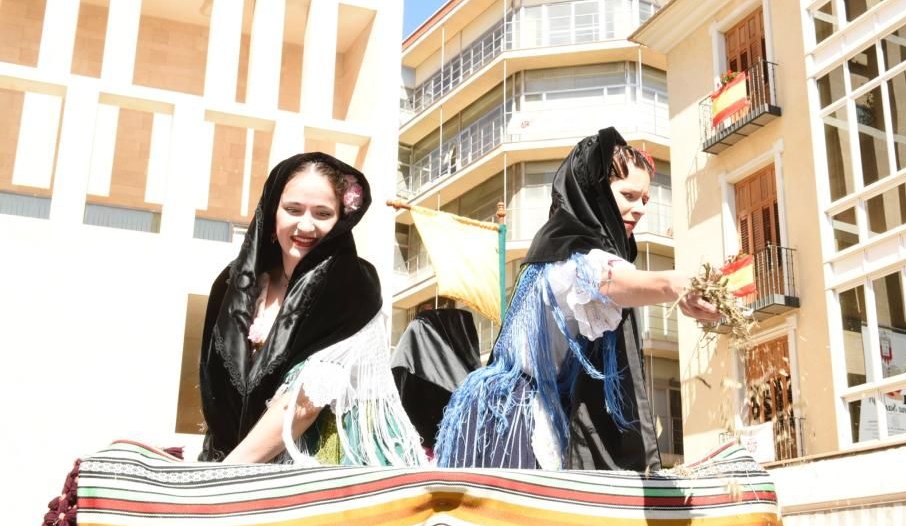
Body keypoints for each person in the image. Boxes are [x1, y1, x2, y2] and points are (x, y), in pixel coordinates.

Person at [434, 127, 721, 471]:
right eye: (628, 195)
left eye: (645, 199)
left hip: (513, 411)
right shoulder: (570, 261)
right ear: (595, 193)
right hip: (512, 422)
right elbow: (611, 280)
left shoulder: (554, 250)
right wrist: (675, 284)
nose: (640, 208)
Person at [198, 152, 426, 466]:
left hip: (318, 467)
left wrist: (226, 474)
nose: (306, 225)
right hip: (234, 463)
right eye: (293, 209)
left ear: (341, 220)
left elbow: (304, 405)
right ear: (272, 210)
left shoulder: (353, 286)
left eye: (322, 213)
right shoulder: (232, 285)